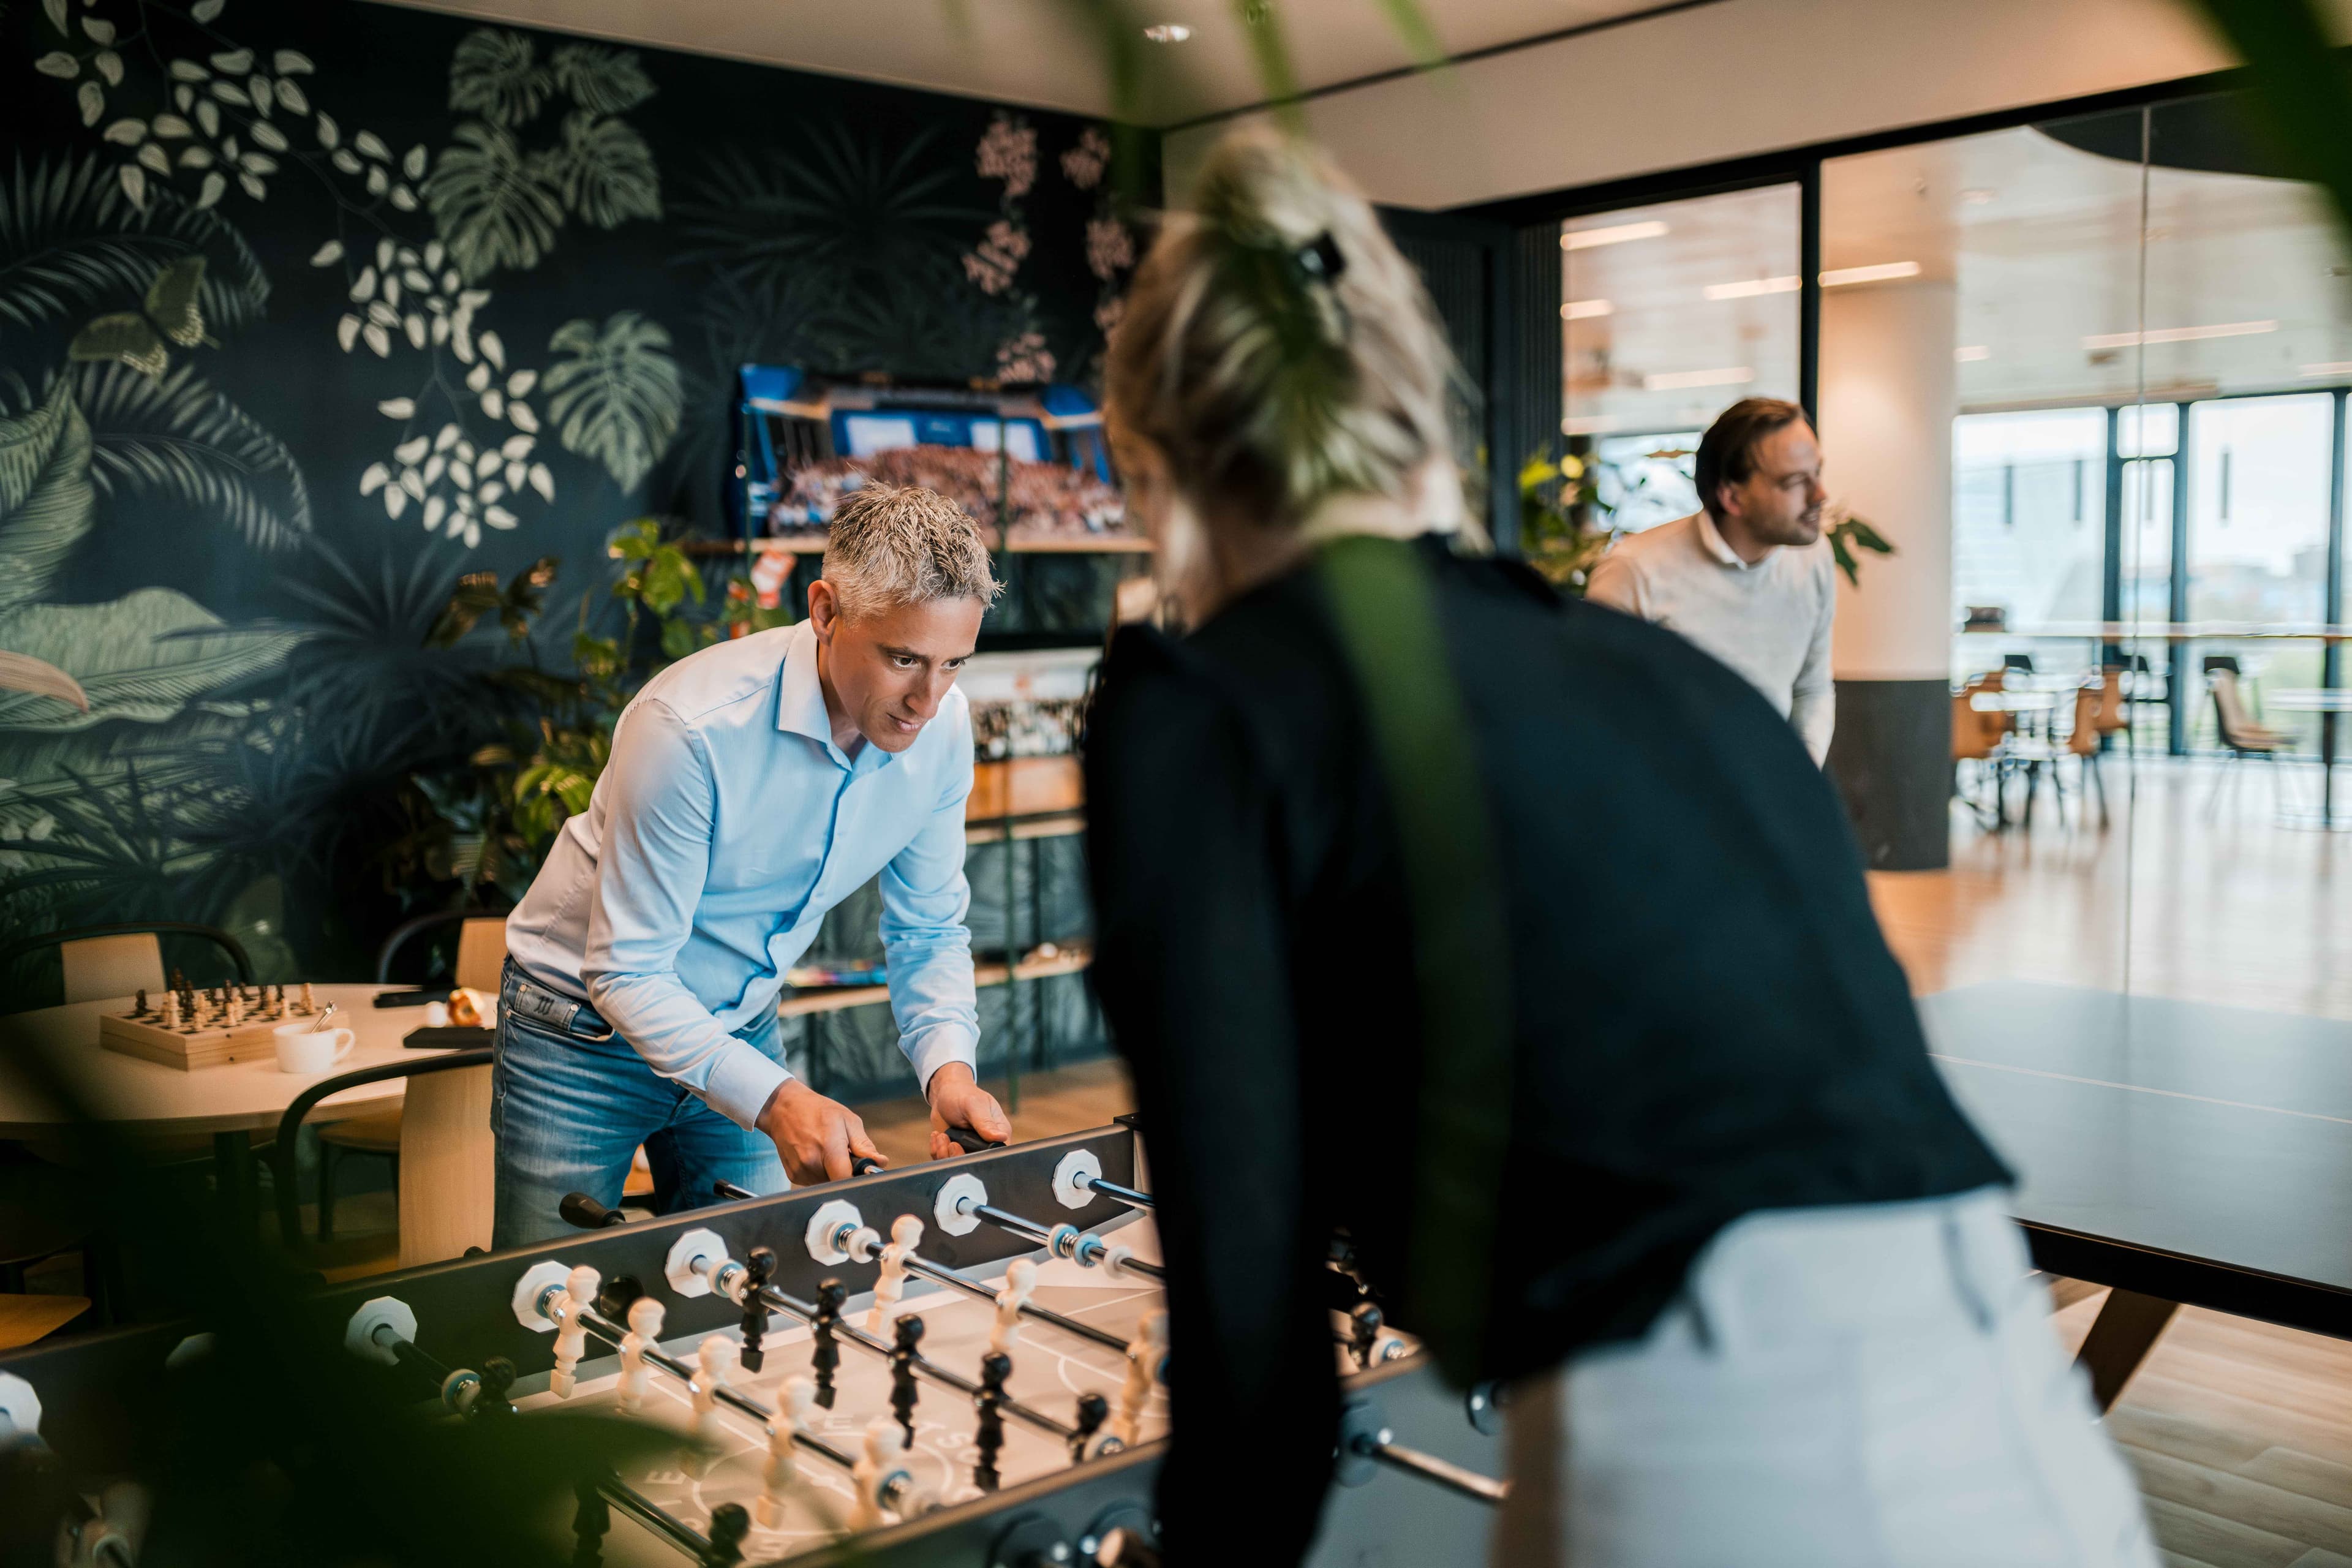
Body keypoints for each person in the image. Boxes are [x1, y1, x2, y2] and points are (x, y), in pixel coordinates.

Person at [1085, 129, 2155, 1568]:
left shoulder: (1202, 704)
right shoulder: (1666, 680)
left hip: (1719, 1442)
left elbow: (1248, 1318)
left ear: (1148, 456)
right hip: (2030, 1430)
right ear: (1419, 419)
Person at [492, 484, 1012, 1250]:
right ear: (826, 611)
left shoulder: (942, 727)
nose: (927, 702)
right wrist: (774, 1101)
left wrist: (950, 1072)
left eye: (952, 664)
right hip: (578, 1037)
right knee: (546, 1309)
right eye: (904, 659)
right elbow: (628, 971)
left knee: (755, 1296)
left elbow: (930, 926)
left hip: (738, 1027)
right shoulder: (690, 729)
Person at [1585, 398, 1839, 764]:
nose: (1820, 495)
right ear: (1733, 496)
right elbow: (1597, 714)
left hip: (1764, 806)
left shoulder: (1813, 558)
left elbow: (1811, 688)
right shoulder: (1635, 571)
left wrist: (1797, 784)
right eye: (1796, 481)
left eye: (1817, 472)